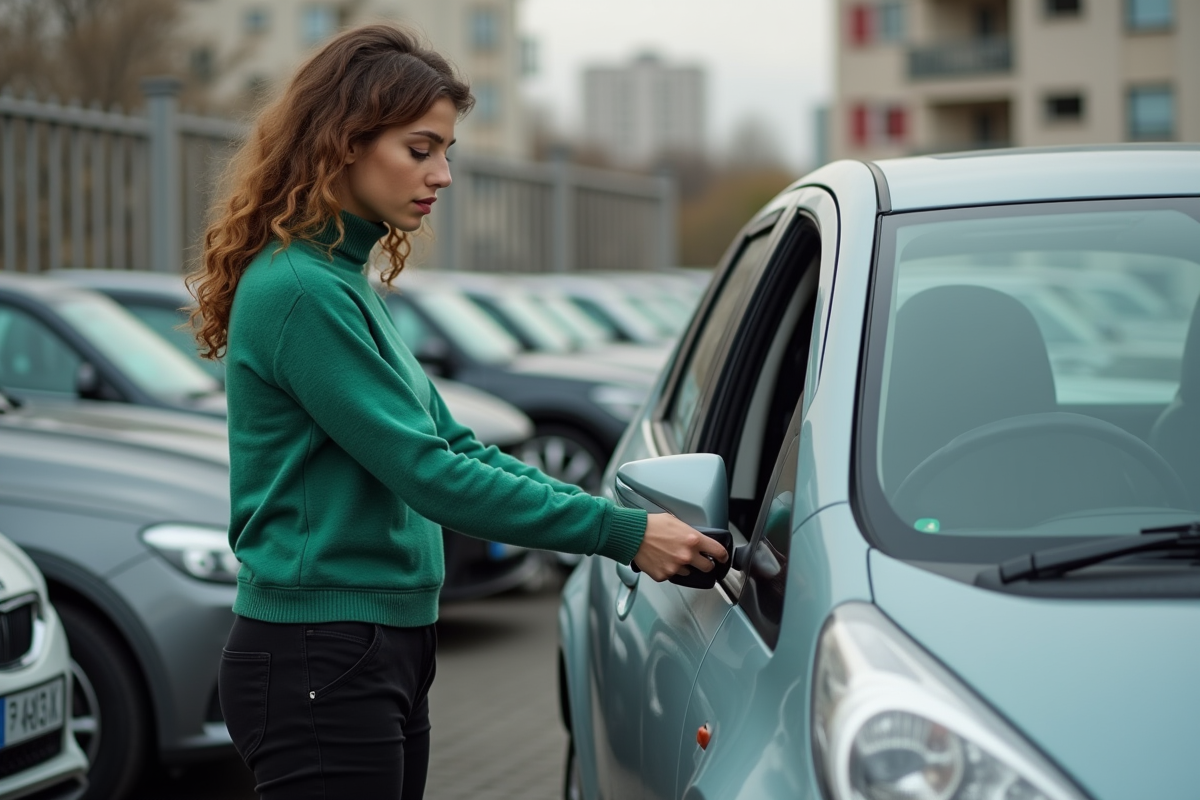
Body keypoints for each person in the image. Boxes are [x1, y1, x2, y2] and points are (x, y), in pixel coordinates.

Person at [188, 23, 727, 800]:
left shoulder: (342, 281)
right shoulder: (300, 290)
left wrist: (614, 517)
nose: (442, 174)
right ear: (342, 142)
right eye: (420, 148)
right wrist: (621, 534)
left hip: (375, 644)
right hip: (320, 650)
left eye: (447, 151)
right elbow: (427, 474)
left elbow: (456, 444)